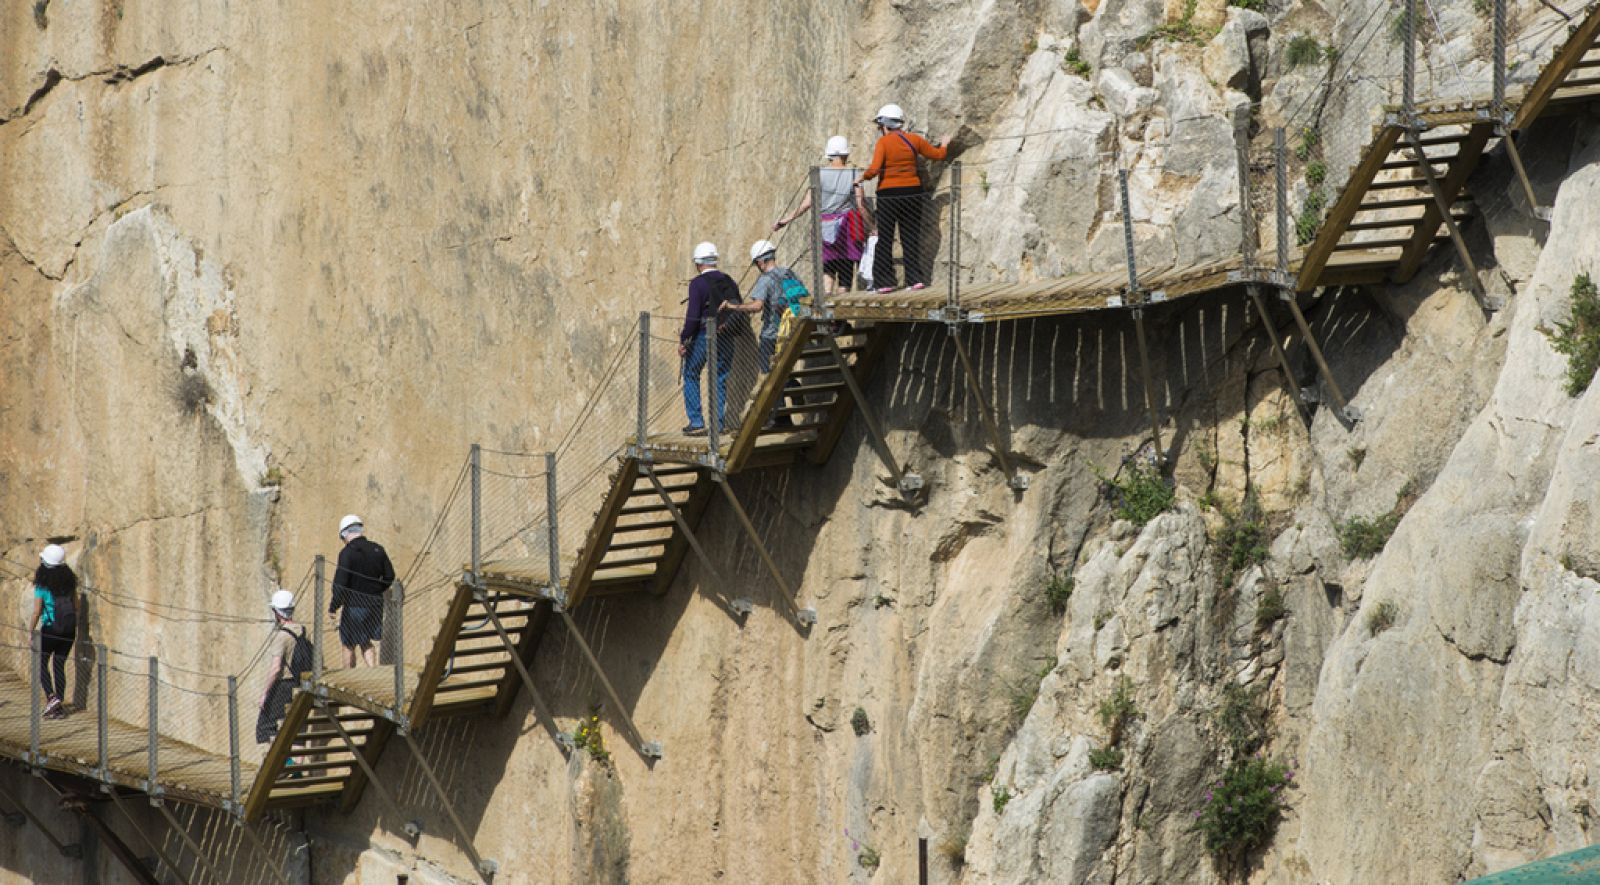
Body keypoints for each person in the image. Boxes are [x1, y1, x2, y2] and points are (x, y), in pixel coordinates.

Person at [857, 104, 949, 293]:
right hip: (912, 193)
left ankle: (885, 282)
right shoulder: (914, 140)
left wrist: (861, 177)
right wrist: (945, 144)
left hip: (889, 195)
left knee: (885, 238)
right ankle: (915, 280)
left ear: (884, 125)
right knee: (910, 236)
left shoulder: (883, 143)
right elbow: (938, 155)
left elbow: (875, 169)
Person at [774, 136, 872, 296]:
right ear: (846, 154)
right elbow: (860, 203)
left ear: (829, 155)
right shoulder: (854, 174)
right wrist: (871, 226)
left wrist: (785, 220)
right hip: (846, 225)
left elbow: (806, 204)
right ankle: (841, 302)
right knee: (846, 264)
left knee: (828, 262)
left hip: (824, 224)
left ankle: (826, 296)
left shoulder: (818, 175)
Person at [679, 242, 742, 436]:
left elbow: (693, 315)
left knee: (691, 373)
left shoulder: (697, 284)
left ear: (698, 263)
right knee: (719, 377)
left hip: (704, 334)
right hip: (726, 334)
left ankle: (696, 421)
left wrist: (684, 338)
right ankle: (718, 425)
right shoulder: (728, 280)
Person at [722, 240, 805, 372]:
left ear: (760, 262)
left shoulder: (765, 279)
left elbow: (757, 306)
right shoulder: (789, 273)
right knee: (784, 372)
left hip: (772, 334)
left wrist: (732, 306)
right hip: (793, 330)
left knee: (768, 372)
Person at [329, 514, 394, 668]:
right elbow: (389, 576)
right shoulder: (378, 549)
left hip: (354, 605)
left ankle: (348, 676)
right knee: (365, 641)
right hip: (375, 604)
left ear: (345, 533)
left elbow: (340, 583)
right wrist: (377, 589)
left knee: (348, 643)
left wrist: (334, 606)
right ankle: (373, 671)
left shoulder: (347, 553)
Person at [255, 589, 311, 751]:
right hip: (300, 683)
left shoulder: (281, 636)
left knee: (265, 727)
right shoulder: (303, 630)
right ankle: (296, 765)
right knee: (297, 729)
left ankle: (276, 762)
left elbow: (276, 668)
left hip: (283, 685)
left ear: (277, 612)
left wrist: (265, 693)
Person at [29, 544, 76, 720]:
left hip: (50, 629)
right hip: (69, 630)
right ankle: (59, 704)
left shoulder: (42, 585)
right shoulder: (70, 583)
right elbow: (76, 607)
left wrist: (31, 632)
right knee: (59, 665)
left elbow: (37, 612)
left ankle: (51, 697)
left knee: (41, 662)